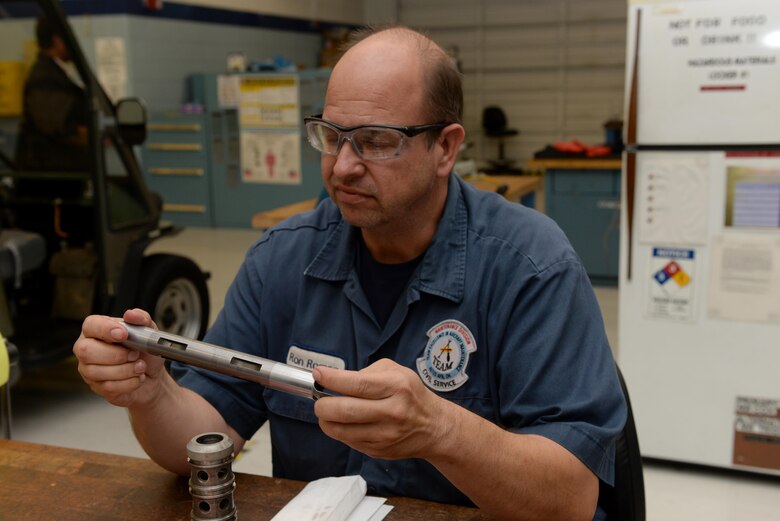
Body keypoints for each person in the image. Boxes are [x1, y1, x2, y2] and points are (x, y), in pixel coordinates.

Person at [74, 26, 626, 521]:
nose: (342, 167)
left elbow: (570, 500)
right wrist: (152, 394)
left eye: (377, 141)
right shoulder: (282, 260)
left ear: (446, 147)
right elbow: (199, 439)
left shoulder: (529, 267)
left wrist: (441, 430)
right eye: (331, 136)